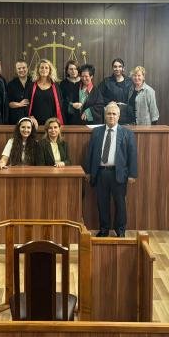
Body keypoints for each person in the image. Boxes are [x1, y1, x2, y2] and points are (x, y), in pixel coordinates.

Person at [82, 102, 138, 237]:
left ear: (118, 116)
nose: (111, 116)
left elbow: (132, 155)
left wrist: (132, 174)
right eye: (108, 114)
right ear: (104, 115)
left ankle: (120, 230)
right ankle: (104, 229)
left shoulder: (127, 133)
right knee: (102, 203)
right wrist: (88, 172)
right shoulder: (97, 132)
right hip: (100, 173)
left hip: (118, 174)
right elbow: (90, 153)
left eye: (114, 114)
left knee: (120, 204)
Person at [95, 57, 134, 124]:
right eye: (115, 67)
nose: (117, 69)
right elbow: (98, 96)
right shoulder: (106, 81)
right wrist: (109, 102)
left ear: (123, 68)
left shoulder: (130, 82)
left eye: (120, 66)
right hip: (111, 116)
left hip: (126, 116)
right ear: (112, 68)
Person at [28, 58, 64, 125]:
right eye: (42, 67)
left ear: (50, 70)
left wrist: (54, 119)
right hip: (34, 122)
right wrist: (31, 117)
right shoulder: (32, 85)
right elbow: (27, 103)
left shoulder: (55, 85)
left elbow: (60, 103)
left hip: (51, 123)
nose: (44, 69)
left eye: (46, 68)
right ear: (38, 70)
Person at [6, 59, 32, 125]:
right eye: (19, 68)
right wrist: (19, 104)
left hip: (31, 119)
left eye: (23, 68)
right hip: (15, 119)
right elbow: (8, 103)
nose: (21, 70)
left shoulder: (34, 82)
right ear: (16, 70)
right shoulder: (11, 84)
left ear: (27, 68)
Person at [60, 59, 82, 125]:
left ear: (78, 70)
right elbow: (61, 99)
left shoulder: (83, 82)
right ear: (67, 71)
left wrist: (82, 104)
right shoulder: (63, 83)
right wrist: (71, 105)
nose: (73, 71)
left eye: (75, 69)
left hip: (82, 114)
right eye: (71, 69)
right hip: (68, 115)